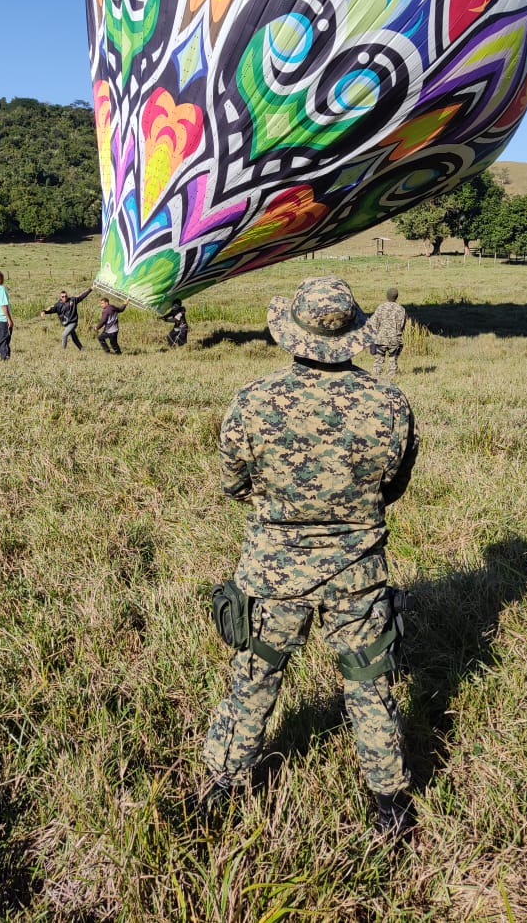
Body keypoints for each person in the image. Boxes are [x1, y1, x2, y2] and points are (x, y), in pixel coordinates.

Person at [203, 276, 419, 835]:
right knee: (370, 684)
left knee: (254, 676)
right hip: (359, 573)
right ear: (353, 333)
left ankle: (223, 786)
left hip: (275, 570)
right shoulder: (390, 402)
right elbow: (392, 485)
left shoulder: (254, 400)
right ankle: (391, 806)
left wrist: (281, 505)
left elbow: (232, 482)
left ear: (291, 333)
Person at [369, 286, 407, 379]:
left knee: (378, 360)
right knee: (393, 359)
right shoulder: (401, 309)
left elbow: (373, 323)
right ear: (396, 297)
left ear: (387, 296)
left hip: (381, 339)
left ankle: (376, 379)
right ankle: (392, 378)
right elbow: (402, 325)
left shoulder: (381, 308)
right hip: (395, 339)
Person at [40, 286, 93, 351]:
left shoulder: (72, 300)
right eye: (63, 296)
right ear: (60, 297)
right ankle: (82, 349)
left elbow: (81, 296)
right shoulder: (58, 305)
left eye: (65, 296)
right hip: (66, 324)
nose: (64, 297)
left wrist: (90, 289)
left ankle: (63, 351)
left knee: (64, 335)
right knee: (74, 337)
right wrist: (44, 311)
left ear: (67, 296)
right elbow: (51, 308)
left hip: (73, 322)